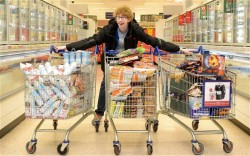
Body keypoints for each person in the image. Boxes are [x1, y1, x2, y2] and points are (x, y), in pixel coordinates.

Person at [56, 5, 192, 125]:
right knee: (105, 83)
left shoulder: (135, 30)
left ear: (129, 19)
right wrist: (68, 47)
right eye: (118, 17)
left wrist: (177, 48)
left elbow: (154, 41)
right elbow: (91, 40)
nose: (120, 20)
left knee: (140, 82)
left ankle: (146, 112)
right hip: (111, 60)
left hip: (128, 61)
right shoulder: (109, 29)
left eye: (123, 17)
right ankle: (99, 113)